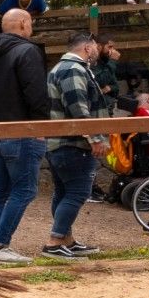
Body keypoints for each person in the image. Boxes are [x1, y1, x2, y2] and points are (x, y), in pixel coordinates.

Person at [0, 7, 48, 265]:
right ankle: (0, 246)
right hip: (22, 130)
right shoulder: (28, 51)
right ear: (24, 24)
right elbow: (36, 92)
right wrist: (41, 126)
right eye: (31, 23)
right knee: (25, 190)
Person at [42, 30, 111, 259]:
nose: (96, 51)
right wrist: (96, 138)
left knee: (63, 192)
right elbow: (78, 109)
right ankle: (54, 241)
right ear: (87, 47)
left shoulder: (63, 68)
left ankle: (66, 240)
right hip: (72, 143)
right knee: (78, 192)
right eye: (94, 47)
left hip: (61, 143)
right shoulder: (73, 69)